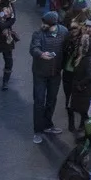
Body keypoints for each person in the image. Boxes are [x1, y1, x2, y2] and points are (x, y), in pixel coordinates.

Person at [30, 10, 66, 143]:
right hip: (40, 73)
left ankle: (48, 125)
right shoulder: (38, 34)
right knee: (39, 101)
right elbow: (33, 48)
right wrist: (41, 54)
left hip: (55, 73)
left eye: (45, 23)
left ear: (52, 24)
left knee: (51, 99)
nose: (42, 24)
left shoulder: (63, 32)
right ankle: (37, 130)